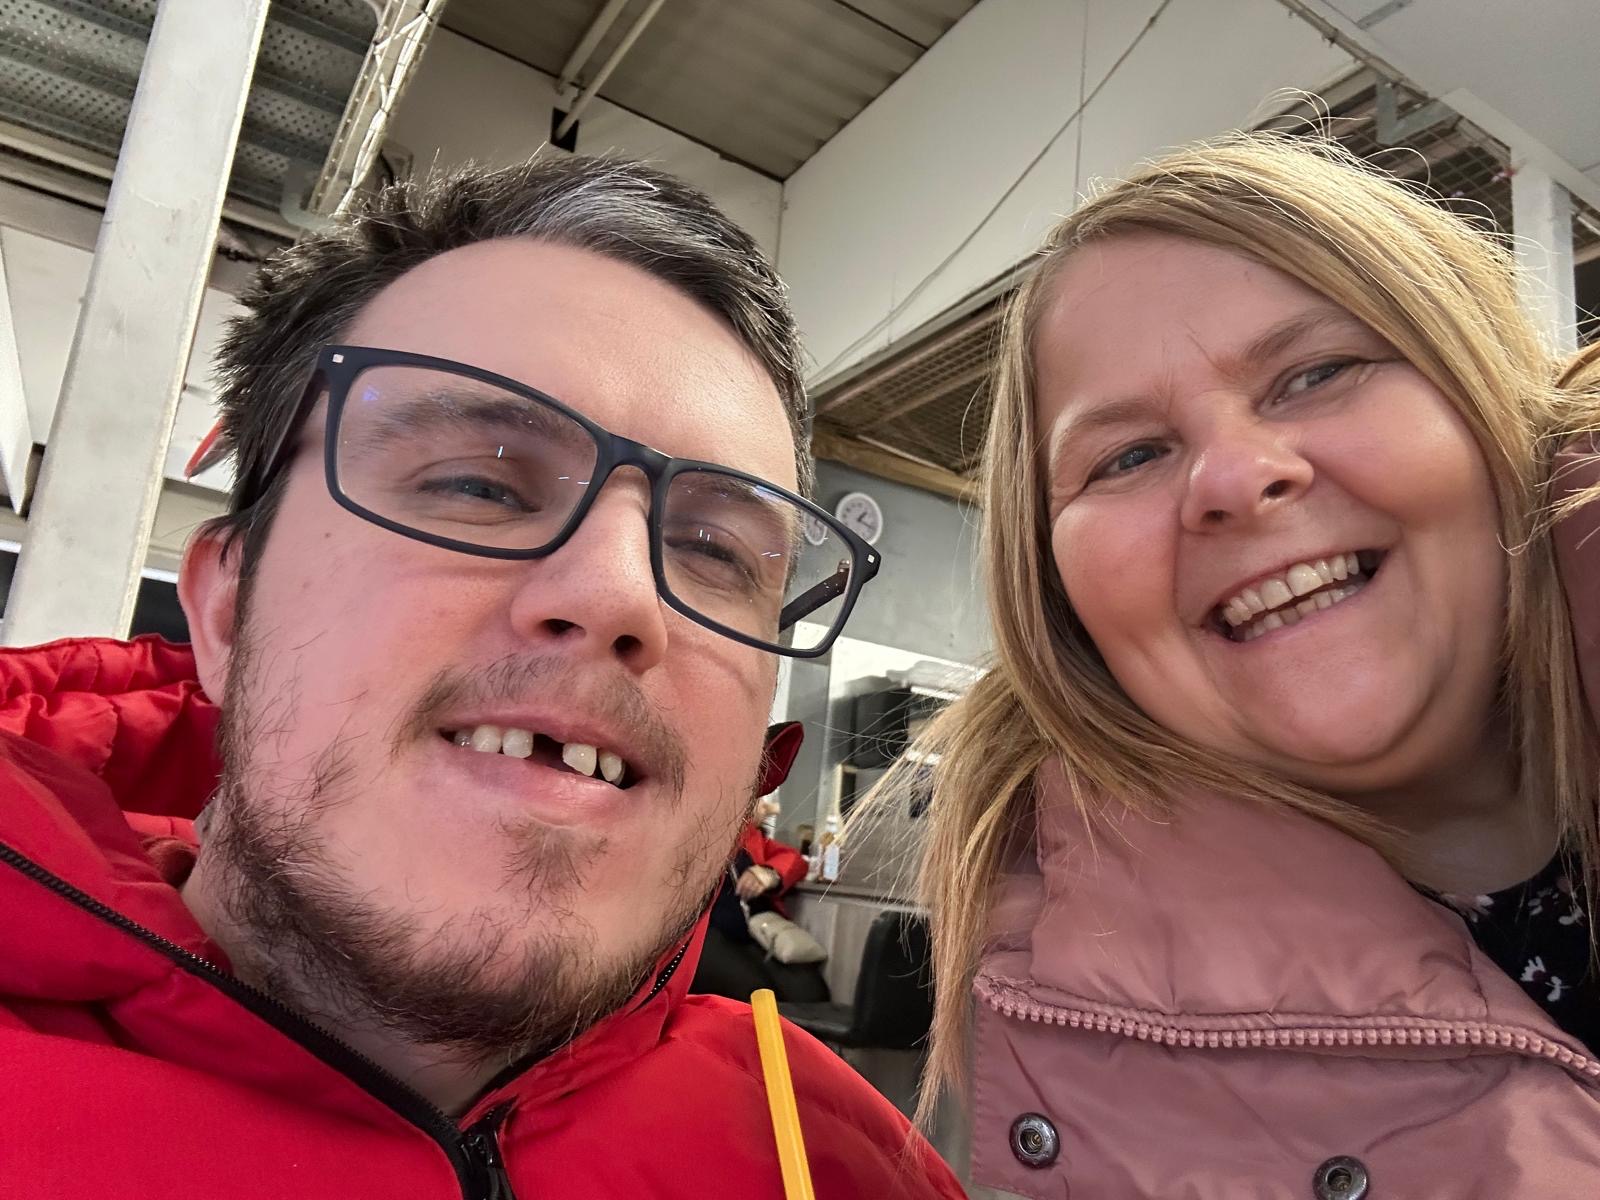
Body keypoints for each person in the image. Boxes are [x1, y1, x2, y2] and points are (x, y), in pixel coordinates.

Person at [0, 155, 963, 1200]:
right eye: (477, 485)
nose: (618, 595)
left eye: (712, 550)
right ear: (227, 611)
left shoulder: (835, 1160)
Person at [889, 133, 1600, 1196]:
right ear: (1059, 597)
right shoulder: (1044, 1057)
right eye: (1129, 455)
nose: (1232, 478)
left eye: (1316, 374)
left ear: (1492, 404)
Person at [692, 723, 831, 1004]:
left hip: (753, 931)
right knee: (753, 995)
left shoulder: (751, 837)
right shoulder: (692, 827)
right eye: (762, 796)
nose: (768, 806)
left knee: (810, 991)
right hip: (705, 934)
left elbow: (794, 860)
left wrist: (769, 873)